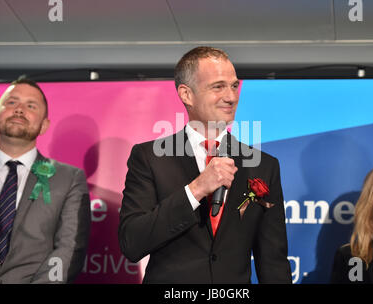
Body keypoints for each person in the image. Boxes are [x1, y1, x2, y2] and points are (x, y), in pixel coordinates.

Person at [118, 46, 292, 283]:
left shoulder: (264, 166)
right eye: (218, 87)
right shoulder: (149, 158)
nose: (231, 97)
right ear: (186, 94)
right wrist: (196, 189)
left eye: (234, 86)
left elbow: (273, 262)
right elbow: (132, 242)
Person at [0, 77, 91, 283]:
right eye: (12, 102)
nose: (20, 109)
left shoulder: (69, 179)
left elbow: (68, 250)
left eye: (30, 105)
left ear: (43, 125)